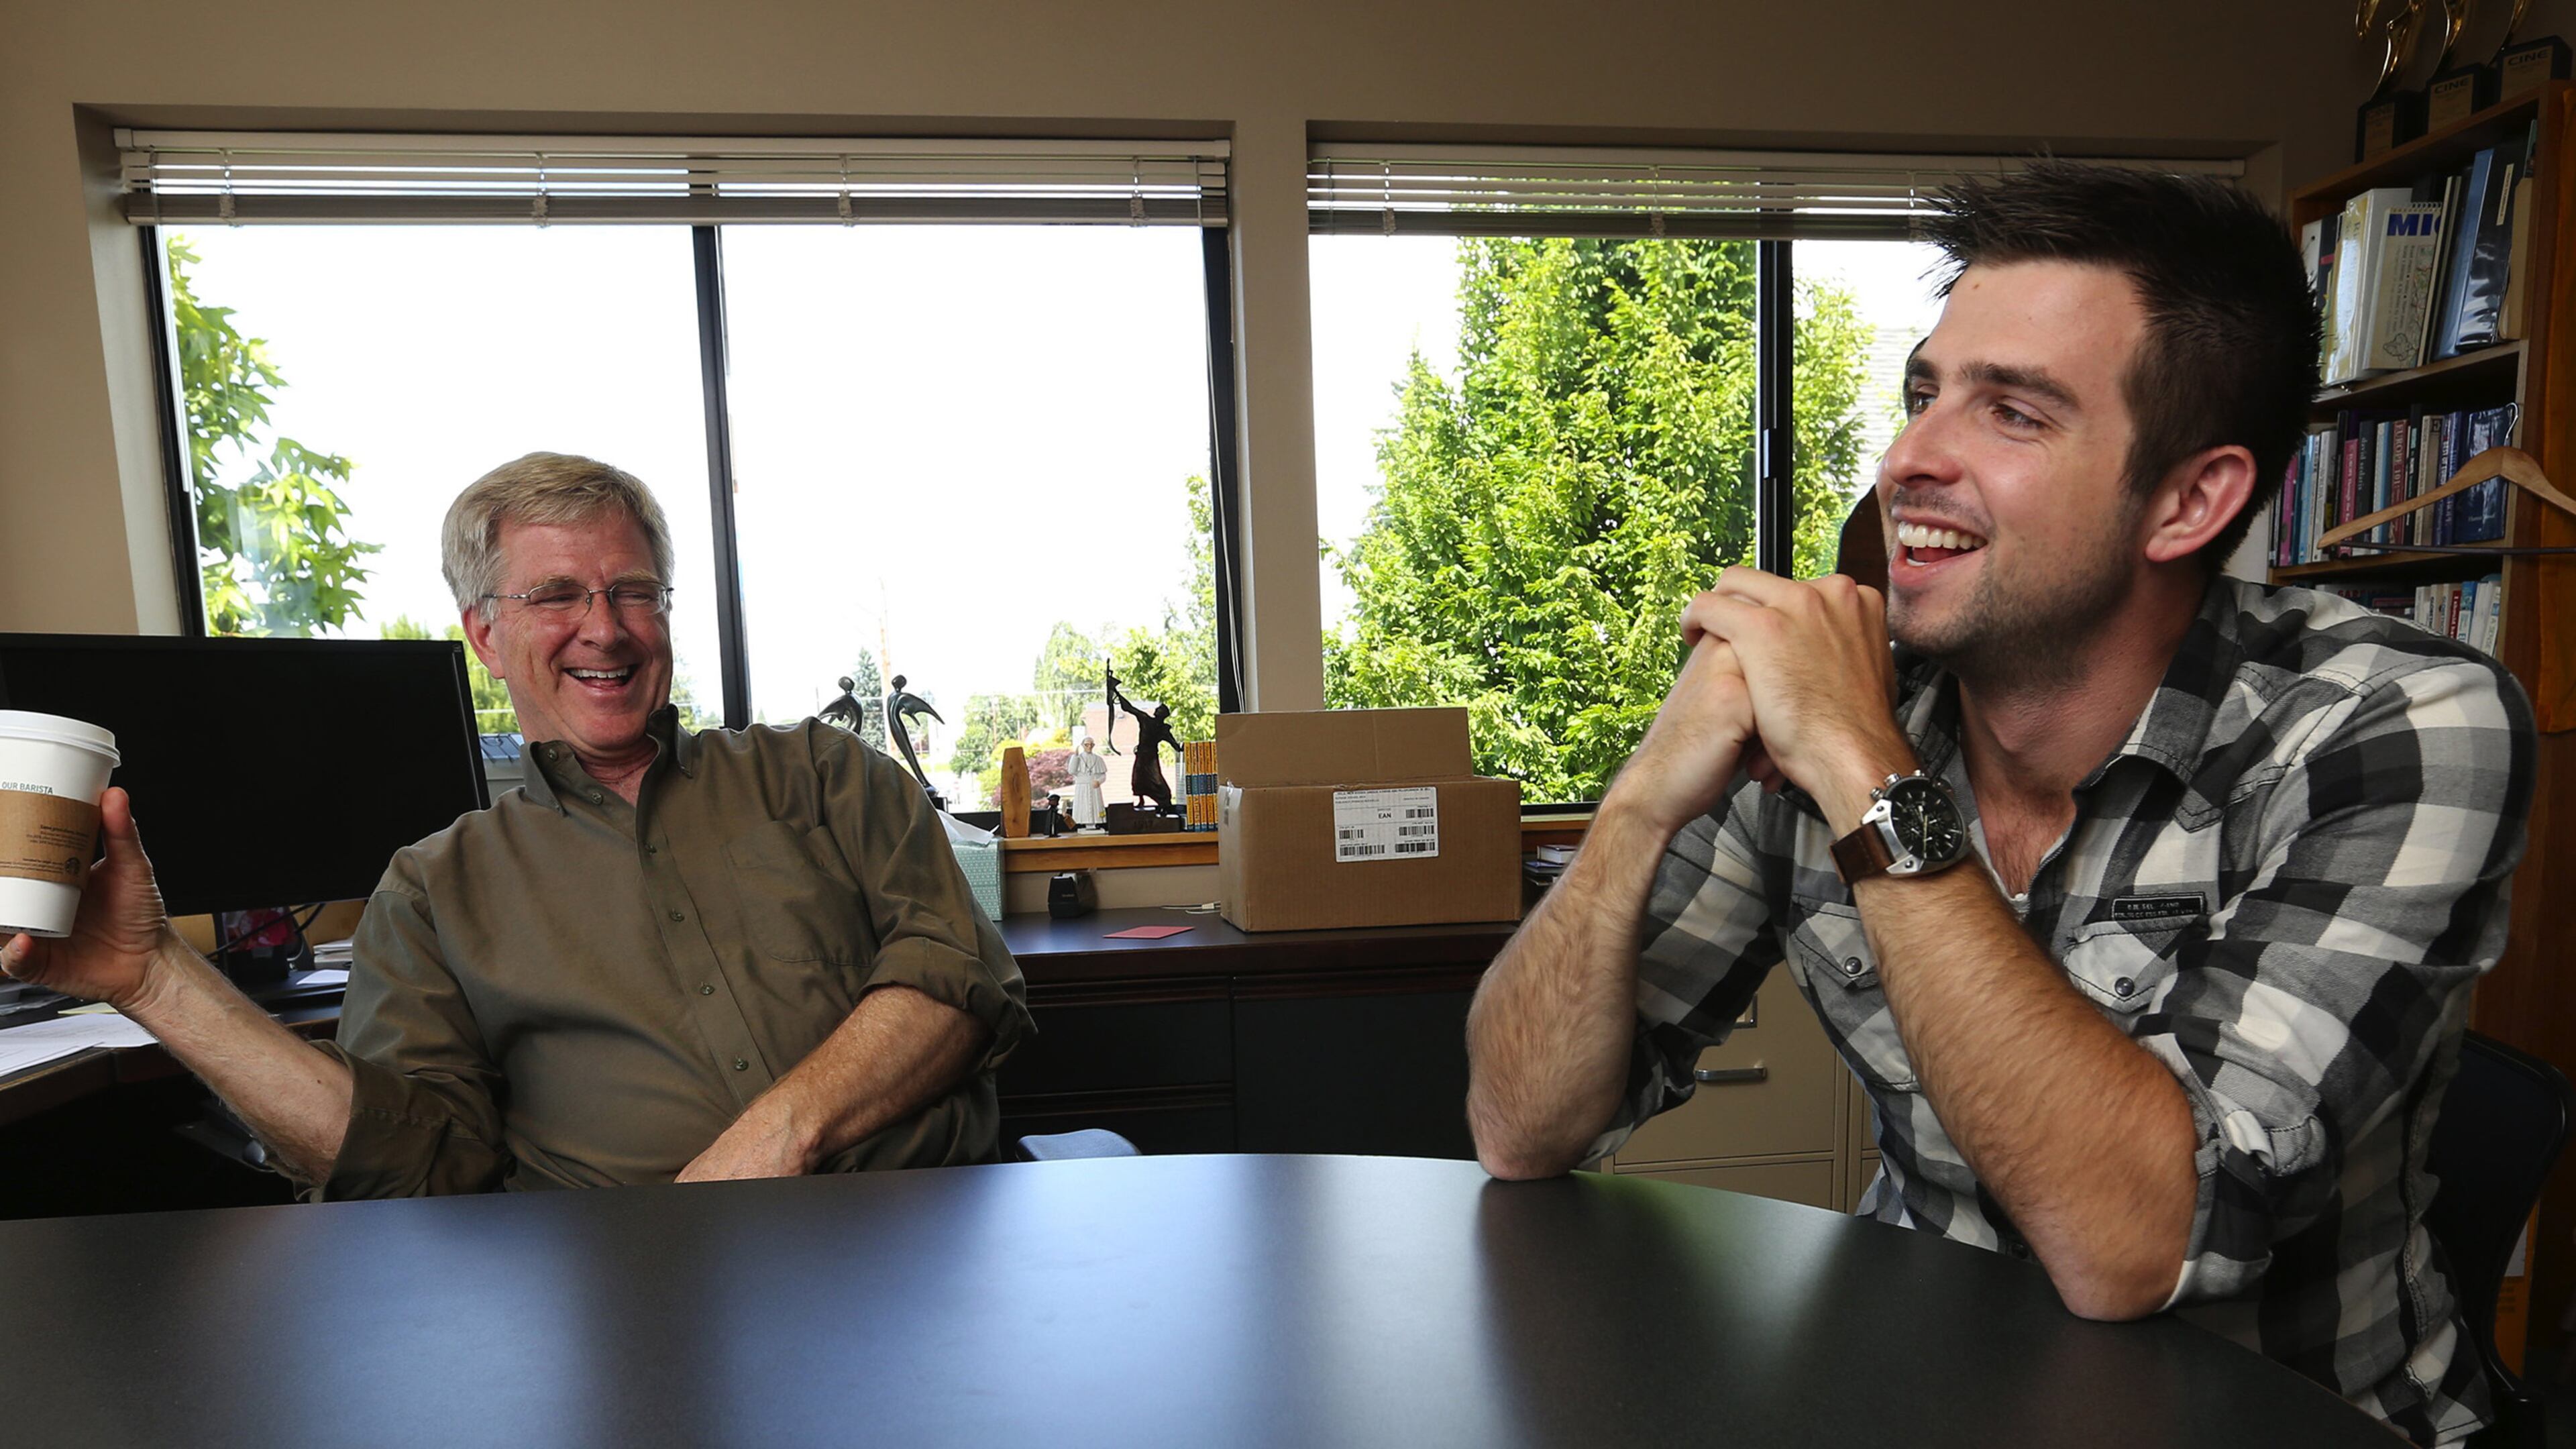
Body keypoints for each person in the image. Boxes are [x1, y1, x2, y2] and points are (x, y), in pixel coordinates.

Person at [1464, 162, 2530, 1446]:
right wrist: (1640, 799)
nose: (1910, 458)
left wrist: (1867, 773)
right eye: (1923, 394)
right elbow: (1520, 1126)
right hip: (1931, 1395)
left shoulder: (2394, 725)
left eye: (2014, 413)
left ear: (2190, 500)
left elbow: (2135, 1241)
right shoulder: (1842, 718)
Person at [1, 453, 1032, 1195]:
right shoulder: (436, 889)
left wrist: (775, 1139)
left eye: (633, 590)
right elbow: (404, 1159)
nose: (606, 627)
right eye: (556, 596)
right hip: (633, 1297)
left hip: (922, 1242)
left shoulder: (823, 774)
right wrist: (152, 979)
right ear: (485, 636)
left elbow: (957, 973)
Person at [1068, 735, 1108, 829]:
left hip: (1094, 787)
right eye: (1087, 745)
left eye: (1091, 745)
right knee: (1083, 806)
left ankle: (1095, 824)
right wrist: (1075, 757)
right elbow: (1072, 771)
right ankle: (1085, 824)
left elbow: (1103, 775)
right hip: (1082, 788)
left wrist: (1099, 782)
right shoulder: (1078, 758)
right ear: (1083, 745)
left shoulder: (1098, 759)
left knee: (1096, 806)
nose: (1089, 747)